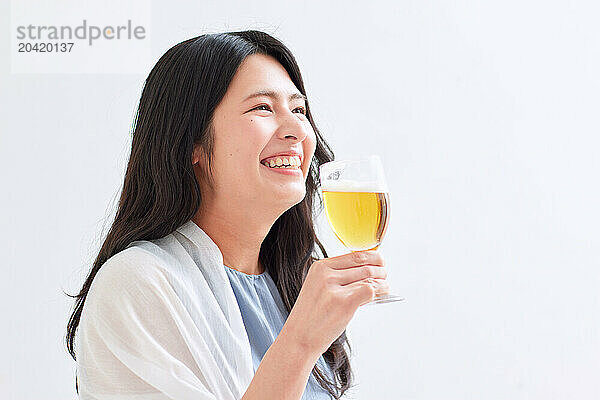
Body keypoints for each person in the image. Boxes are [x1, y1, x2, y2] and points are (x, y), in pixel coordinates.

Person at [65, 30, 389, 400]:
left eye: (299, 110)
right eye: (263, 108)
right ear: (192, 144)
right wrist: (299, 343)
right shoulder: (137, 283)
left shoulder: (293, 283)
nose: (299, 129)